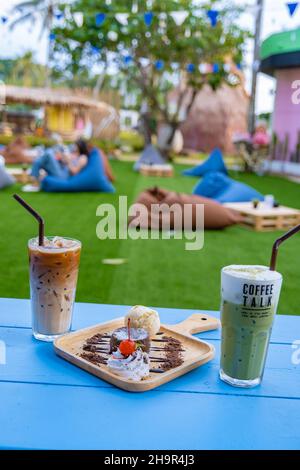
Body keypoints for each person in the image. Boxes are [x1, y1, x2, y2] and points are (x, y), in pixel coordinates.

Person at [23, 139, 89, 192]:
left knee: (48, 153)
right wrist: (62, 159)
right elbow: (65, 164)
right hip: (61, 171)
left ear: (80, 146)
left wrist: (68, 161)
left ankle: (34, 182)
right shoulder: (73, 154)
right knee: (40, 161)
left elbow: (75, 172)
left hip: (63, 176)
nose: (73, 146)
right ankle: (35, 183)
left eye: (75, 145)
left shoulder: (83, 157)